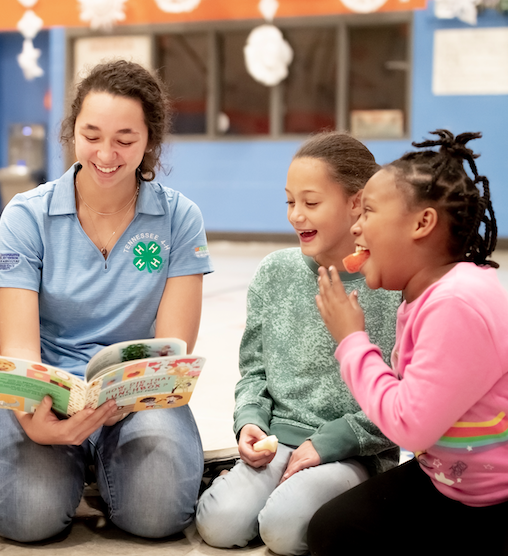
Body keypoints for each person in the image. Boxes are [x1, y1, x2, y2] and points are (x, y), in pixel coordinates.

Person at [0, 59, 213, 542]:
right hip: (44, 392)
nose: (106, 154)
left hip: (135, 398)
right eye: (91, 135)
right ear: (71, 132)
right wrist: (33, 420)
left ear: (150, 140)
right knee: (27, 519)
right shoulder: (27, 215)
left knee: (157, 516)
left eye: (125, 139)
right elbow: (19, 346)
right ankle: (67, 460)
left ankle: (101, 460)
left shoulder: (179, 218)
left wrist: (121, 406)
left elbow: (169, 350)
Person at [196, 131, 401, 555]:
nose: (296, 216)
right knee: (220, 524)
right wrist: (250, 419)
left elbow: (401, 398)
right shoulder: (275, 272)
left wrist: (330, 444)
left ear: (356, 203)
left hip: (355, 452)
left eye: (310, 203)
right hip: (279, 439)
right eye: (290, 202)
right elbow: (253, 371)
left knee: (284, 528)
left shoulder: (392, 284)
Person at [311, 130, 508, 555]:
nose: (356, 226)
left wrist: (351, 340)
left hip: (497, 501)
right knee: (332, 530)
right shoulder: (424, 294)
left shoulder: (457, 303)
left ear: (422, 223)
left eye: (369, 212)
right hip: (445, 479)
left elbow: (410, 424)